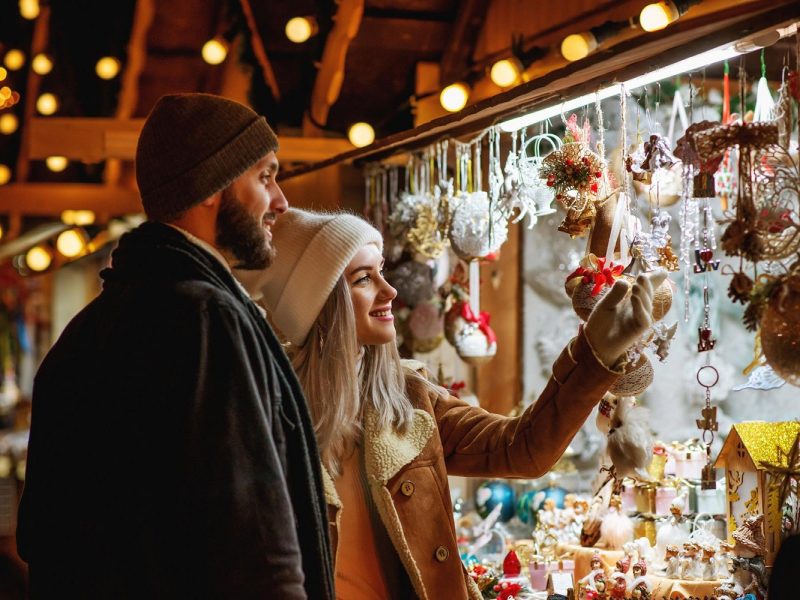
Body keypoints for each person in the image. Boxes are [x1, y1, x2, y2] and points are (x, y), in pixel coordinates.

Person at [239, 208, 667, 600]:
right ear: (318, 302)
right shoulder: (267, 414)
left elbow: (521, 449)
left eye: (382, 272)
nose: (390, 291)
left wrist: (594, 355)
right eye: (364, 279)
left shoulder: (409, 397)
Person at [17, 94, 334, 599]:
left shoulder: (85, 331)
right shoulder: (208, 318)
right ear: (212, 186)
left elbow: (42, 535)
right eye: (265, 176)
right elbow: (256, 541)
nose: (280, 201)